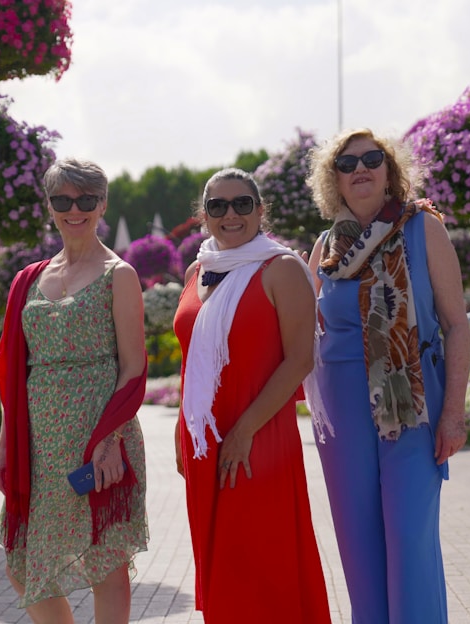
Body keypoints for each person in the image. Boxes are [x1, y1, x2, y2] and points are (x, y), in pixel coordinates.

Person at [305, 128, 470, 623]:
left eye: (372, 159)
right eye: (347, 162)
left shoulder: (423, 229)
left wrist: (455, 414)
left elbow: (457, 325)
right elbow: (301, 332)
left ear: (389, 169)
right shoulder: (324, 249)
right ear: (332, 179)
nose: (361, 169)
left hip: (413, 407)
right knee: (358, 545)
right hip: (342, 414)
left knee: (407, 540)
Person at [172, 168, 333, 623]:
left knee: (262, 559)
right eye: (218, 206)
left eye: (242, 203)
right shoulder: (196, 271)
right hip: (206, 440)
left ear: (260, 210)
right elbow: (192, 360)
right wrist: (183, 431)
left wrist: (243, 431)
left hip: (259, 438)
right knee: (220, 563)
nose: (231, 214)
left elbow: (300, 360)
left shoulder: (282, 269)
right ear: (204, 216)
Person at [0, 158, 149, 624]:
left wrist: (108, 440)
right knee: (20, 564)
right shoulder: (27, 279)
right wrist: (5, 444)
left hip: (100, 436)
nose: (74, 209)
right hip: (38, 442)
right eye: (63, 199)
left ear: (102, 204)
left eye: (85, 199)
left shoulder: (119, 274)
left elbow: (134, 367)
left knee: (107, 564)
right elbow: (11, 372)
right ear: (50, 205)